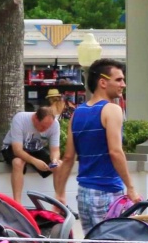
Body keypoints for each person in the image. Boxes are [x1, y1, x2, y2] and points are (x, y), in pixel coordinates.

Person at [55, 59, 138, 228]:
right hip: (108, 191)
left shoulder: (77, 113)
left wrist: (60, 193)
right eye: (119, 79)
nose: (123, 84)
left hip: (84, 193)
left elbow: (69, 157)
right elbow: (115, 152)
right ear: (102, 82)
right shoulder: (112, 109)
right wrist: (130, 187)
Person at [0, 106, 61, 203]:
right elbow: (17, 150)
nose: (45, 130)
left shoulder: (54, 124)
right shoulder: (20, 118)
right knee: (18, 162)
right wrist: (35, 162)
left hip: (35, 148)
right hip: (12, 147)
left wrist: (54, 160)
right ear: (35, 118)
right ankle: (17, 203)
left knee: (59, 165)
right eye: (43, 126)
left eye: (48, 127)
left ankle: (59, 202)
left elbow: (55, 150)